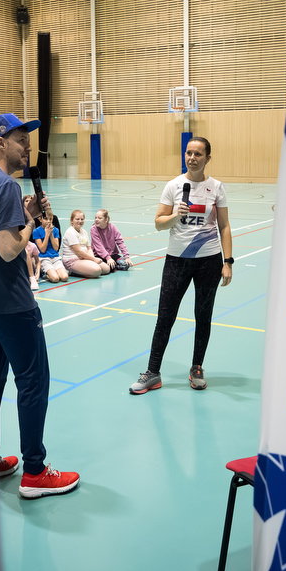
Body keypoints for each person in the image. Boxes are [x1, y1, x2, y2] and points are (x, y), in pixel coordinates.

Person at [0, 112, 79, 499]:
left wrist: (23, 217)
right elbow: (9, 249)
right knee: (33, 382)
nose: (28, 147)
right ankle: (35, 472)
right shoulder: (4, 185)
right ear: (0, 143)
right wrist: (31, 224)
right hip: (12, 305)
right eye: (21, 140)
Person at [130, 137, 233, 394]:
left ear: (208, 158)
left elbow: (224, 226)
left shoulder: (216, 187)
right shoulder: (173, 186)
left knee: (203, 316)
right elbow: (158, 223)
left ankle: (197, 367)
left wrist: (228, 261)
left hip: (209, 260)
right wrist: (176, 215)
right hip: (177, 260)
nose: (192, 158)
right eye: (189, 153)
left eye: (198, 154)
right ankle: (153, 372)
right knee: (165, 316)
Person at [61, 210, 110, 278]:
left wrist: (92, 258)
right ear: (72, 220)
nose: (80, 221)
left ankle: (85, 269)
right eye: (77, 219)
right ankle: (73, 271)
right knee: (97, 270)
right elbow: (78, 251)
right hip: (72, 261)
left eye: (82, 219)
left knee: (106, 269)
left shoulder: (84, 232)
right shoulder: (70, 232)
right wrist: (93, 259)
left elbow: (89, 248)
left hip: (84, 258)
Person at [32, 215, 67, 283]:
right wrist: (47, 234)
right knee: (55, 279)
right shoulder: (36, 231)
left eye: (50, 219)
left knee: (64, 277)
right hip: (44, 258)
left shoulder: (55, 230)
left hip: (55, 258)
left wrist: (51, 234)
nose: (48, 221)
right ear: (40, 219)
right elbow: (42, 250)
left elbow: (56, 248)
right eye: (46, 219)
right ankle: (45, 273)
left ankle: (53, 271)